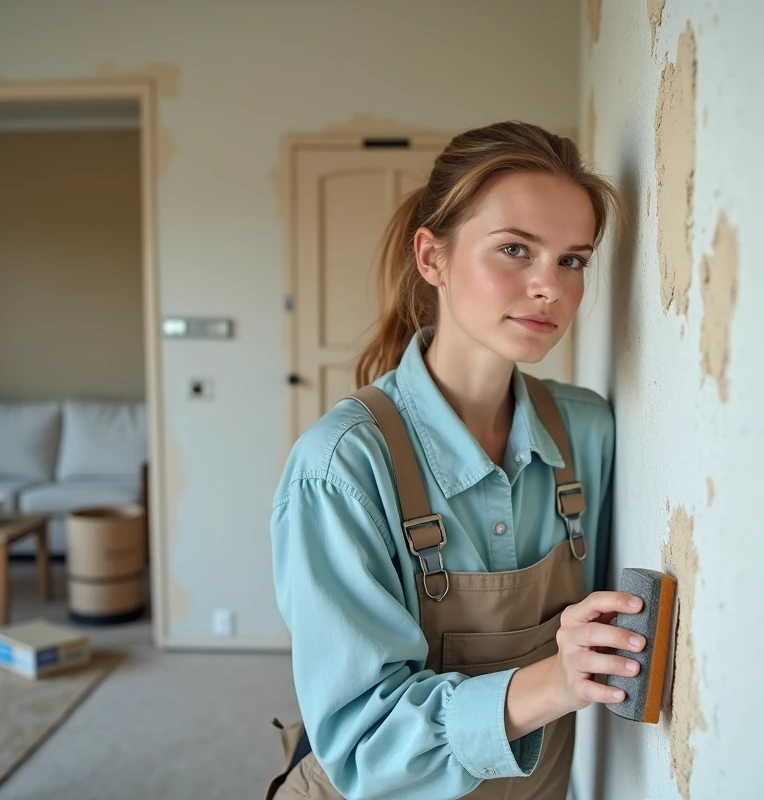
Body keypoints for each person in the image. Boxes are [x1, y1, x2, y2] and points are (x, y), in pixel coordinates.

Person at [267, 121, 644, 800]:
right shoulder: (340, 467)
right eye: (513, 249)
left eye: (573, 260)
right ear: (431, 257)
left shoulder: (588, 432)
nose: (549, 288)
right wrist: (552, 682)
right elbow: (363, 746)